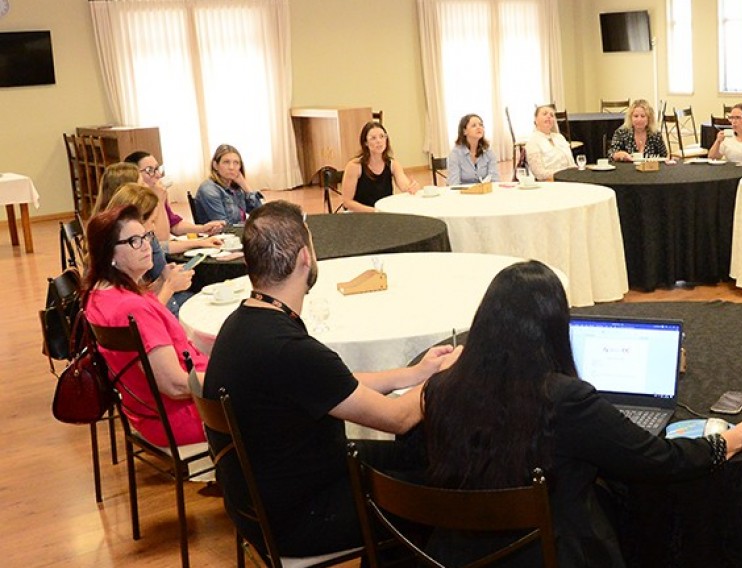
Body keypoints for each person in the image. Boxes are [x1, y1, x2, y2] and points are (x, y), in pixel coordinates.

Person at [421, 261, 742, 566]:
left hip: (454, 552)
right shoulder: (565, 399)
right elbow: (658, 460)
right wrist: (730, 440)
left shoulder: (441, 389)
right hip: (548, 553)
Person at [202, 200, 460, 558]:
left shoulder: (242, 324)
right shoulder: (288, 348)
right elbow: (399, 416)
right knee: (440, 493)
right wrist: (445, 376)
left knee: (417, 454)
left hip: (265, 499)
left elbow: (336, 384)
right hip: (302, 516)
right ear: (305, 257)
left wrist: (415, 373)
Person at [83, 204, 204, 447]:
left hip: (144, 411)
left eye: (146, 237)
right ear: (110, 254)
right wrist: (229, 379)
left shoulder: (98, 296)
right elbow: (174, 385)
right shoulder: (132, 308)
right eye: (134, 241)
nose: (147, 245)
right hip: (185, 416)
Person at [105, 183, 196, 315]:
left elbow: (143, 294)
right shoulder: (121, 255)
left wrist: (162, 279)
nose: (153, 228)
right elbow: (143, 318)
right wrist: (169, 287)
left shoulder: (125, 251)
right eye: (152, 221)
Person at [124, 151, 224, 255]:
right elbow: (161, 240)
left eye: (157, 169)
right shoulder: (136, 203)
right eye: (150, 170)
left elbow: (173, 224)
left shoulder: (157, 192)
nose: (158, 175)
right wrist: (160, 202)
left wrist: (202, 228)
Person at [341, 122, 421, 211]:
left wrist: (411, 187)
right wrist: (375, 211)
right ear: (365, 143)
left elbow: (404, 185)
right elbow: (347, 202)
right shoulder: (354, 166)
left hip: (384, 213)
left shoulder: (393, 164)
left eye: (382, 136)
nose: (379, 141)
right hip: (361, 214)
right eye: (373, 138)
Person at [195, 144, 264, 225]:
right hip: (220, 236)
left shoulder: (236, 187)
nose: (231, 167)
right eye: (226, 162)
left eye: (236, 163)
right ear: (215, 165)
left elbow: (261, 215)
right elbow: (223, 226)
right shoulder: (209, 189)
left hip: (238, 233)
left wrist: (246, 186)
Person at [447, 114, 500, 185]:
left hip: (485, 193)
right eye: (474, 125)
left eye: (481, 125)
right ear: (464, 131)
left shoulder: (489, 152)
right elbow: (453, 184)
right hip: (463, 193)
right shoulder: (455, 154)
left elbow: (495, 180)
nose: (479, 127)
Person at [524, 105, 575, 180]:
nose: (549, 116)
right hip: (551, 182)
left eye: (552, 115)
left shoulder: (559, 137)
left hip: (570, 178)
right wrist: (563, 175)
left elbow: (572, 164)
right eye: (545, 114)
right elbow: (539, 174)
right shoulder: (533, 142)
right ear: (536, 119)